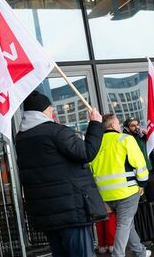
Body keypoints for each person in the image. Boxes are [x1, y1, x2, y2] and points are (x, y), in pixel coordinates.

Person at [15, 91, 106, 257]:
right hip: (71, 209)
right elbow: (86, 152)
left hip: (47, 213)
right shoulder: (56, 132)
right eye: (50, 109)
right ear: (42, 112)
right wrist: (95, 124)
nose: (53, 113)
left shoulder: (21, 138)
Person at [91, 114, 152, 257]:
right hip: (127, 191)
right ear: (112, 126)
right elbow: (139, 164)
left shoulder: (96, 143)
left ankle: (140, 252)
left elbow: (90, 168)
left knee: (126, 224)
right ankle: (118, 255)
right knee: (124, 225)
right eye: (117, 123)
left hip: (105, 194)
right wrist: (142, 183)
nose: (119, 125)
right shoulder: (125, 139)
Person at [122, 118, 154, 236]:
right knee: (141, 202)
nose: (136, 127)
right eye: (133, 126)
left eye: (137, 125)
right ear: (127, 128)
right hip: (136, 177)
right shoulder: (127, 139)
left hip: (148, 173)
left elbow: (152, 146)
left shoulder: (141, 137)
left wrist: (147, 135)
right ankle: (145, 229)